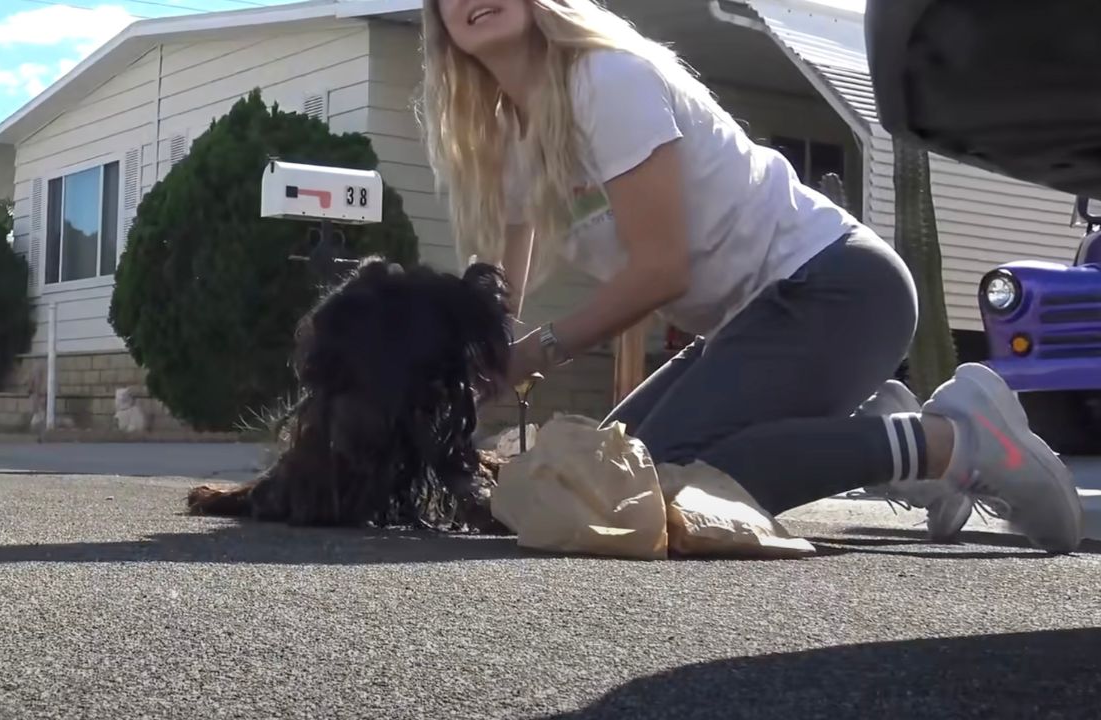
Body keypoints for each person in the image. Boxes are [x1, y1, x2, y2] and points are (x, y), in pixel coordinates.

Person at [418, 0, 1084, 553]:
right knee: (604, 473)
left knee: (658, 486)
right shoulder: (509, 136)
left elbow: (660, 270)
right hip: (754, 323)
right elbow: (503, 292)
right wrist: (475, 369)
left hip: (840, 288)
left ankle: (955, 440)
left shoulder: (602, 81)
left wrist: (533, 356)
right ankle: (875, 425)